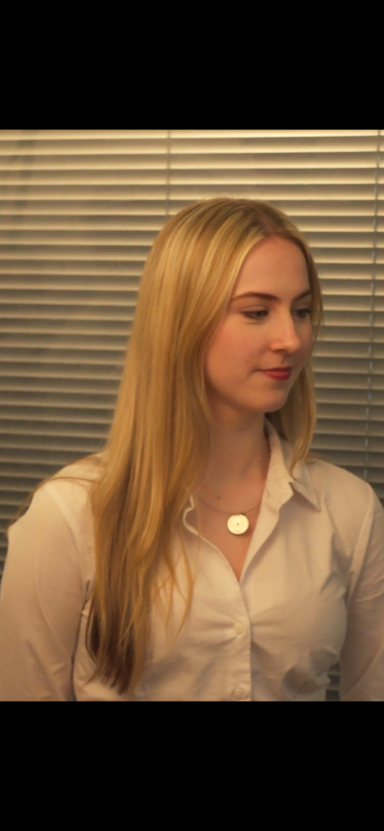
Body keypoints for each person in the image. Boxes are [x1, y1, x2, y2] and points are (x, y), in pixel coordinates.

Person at [0, 197, 383, 702]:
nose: (291, 338)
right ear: (182, 321)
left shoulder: (350, 512)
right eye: (256, 311)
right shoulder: (70, 517)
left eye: (303, 310)